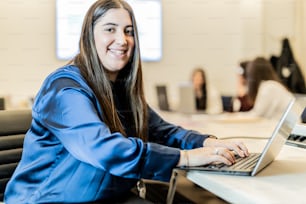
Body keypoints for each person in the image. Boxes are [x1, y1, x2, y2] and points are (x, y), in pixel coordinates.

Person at [4, 0, 249, 203]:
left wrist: (211, 143)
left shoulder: (120, 88)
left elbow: (161, 131)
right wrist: (185, 158)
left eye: (128, 31)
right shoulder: (65, 88)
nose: (122, 40)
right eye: (110, 29)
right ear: (90, 36)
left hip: (103, 196)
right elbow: (103, 148)